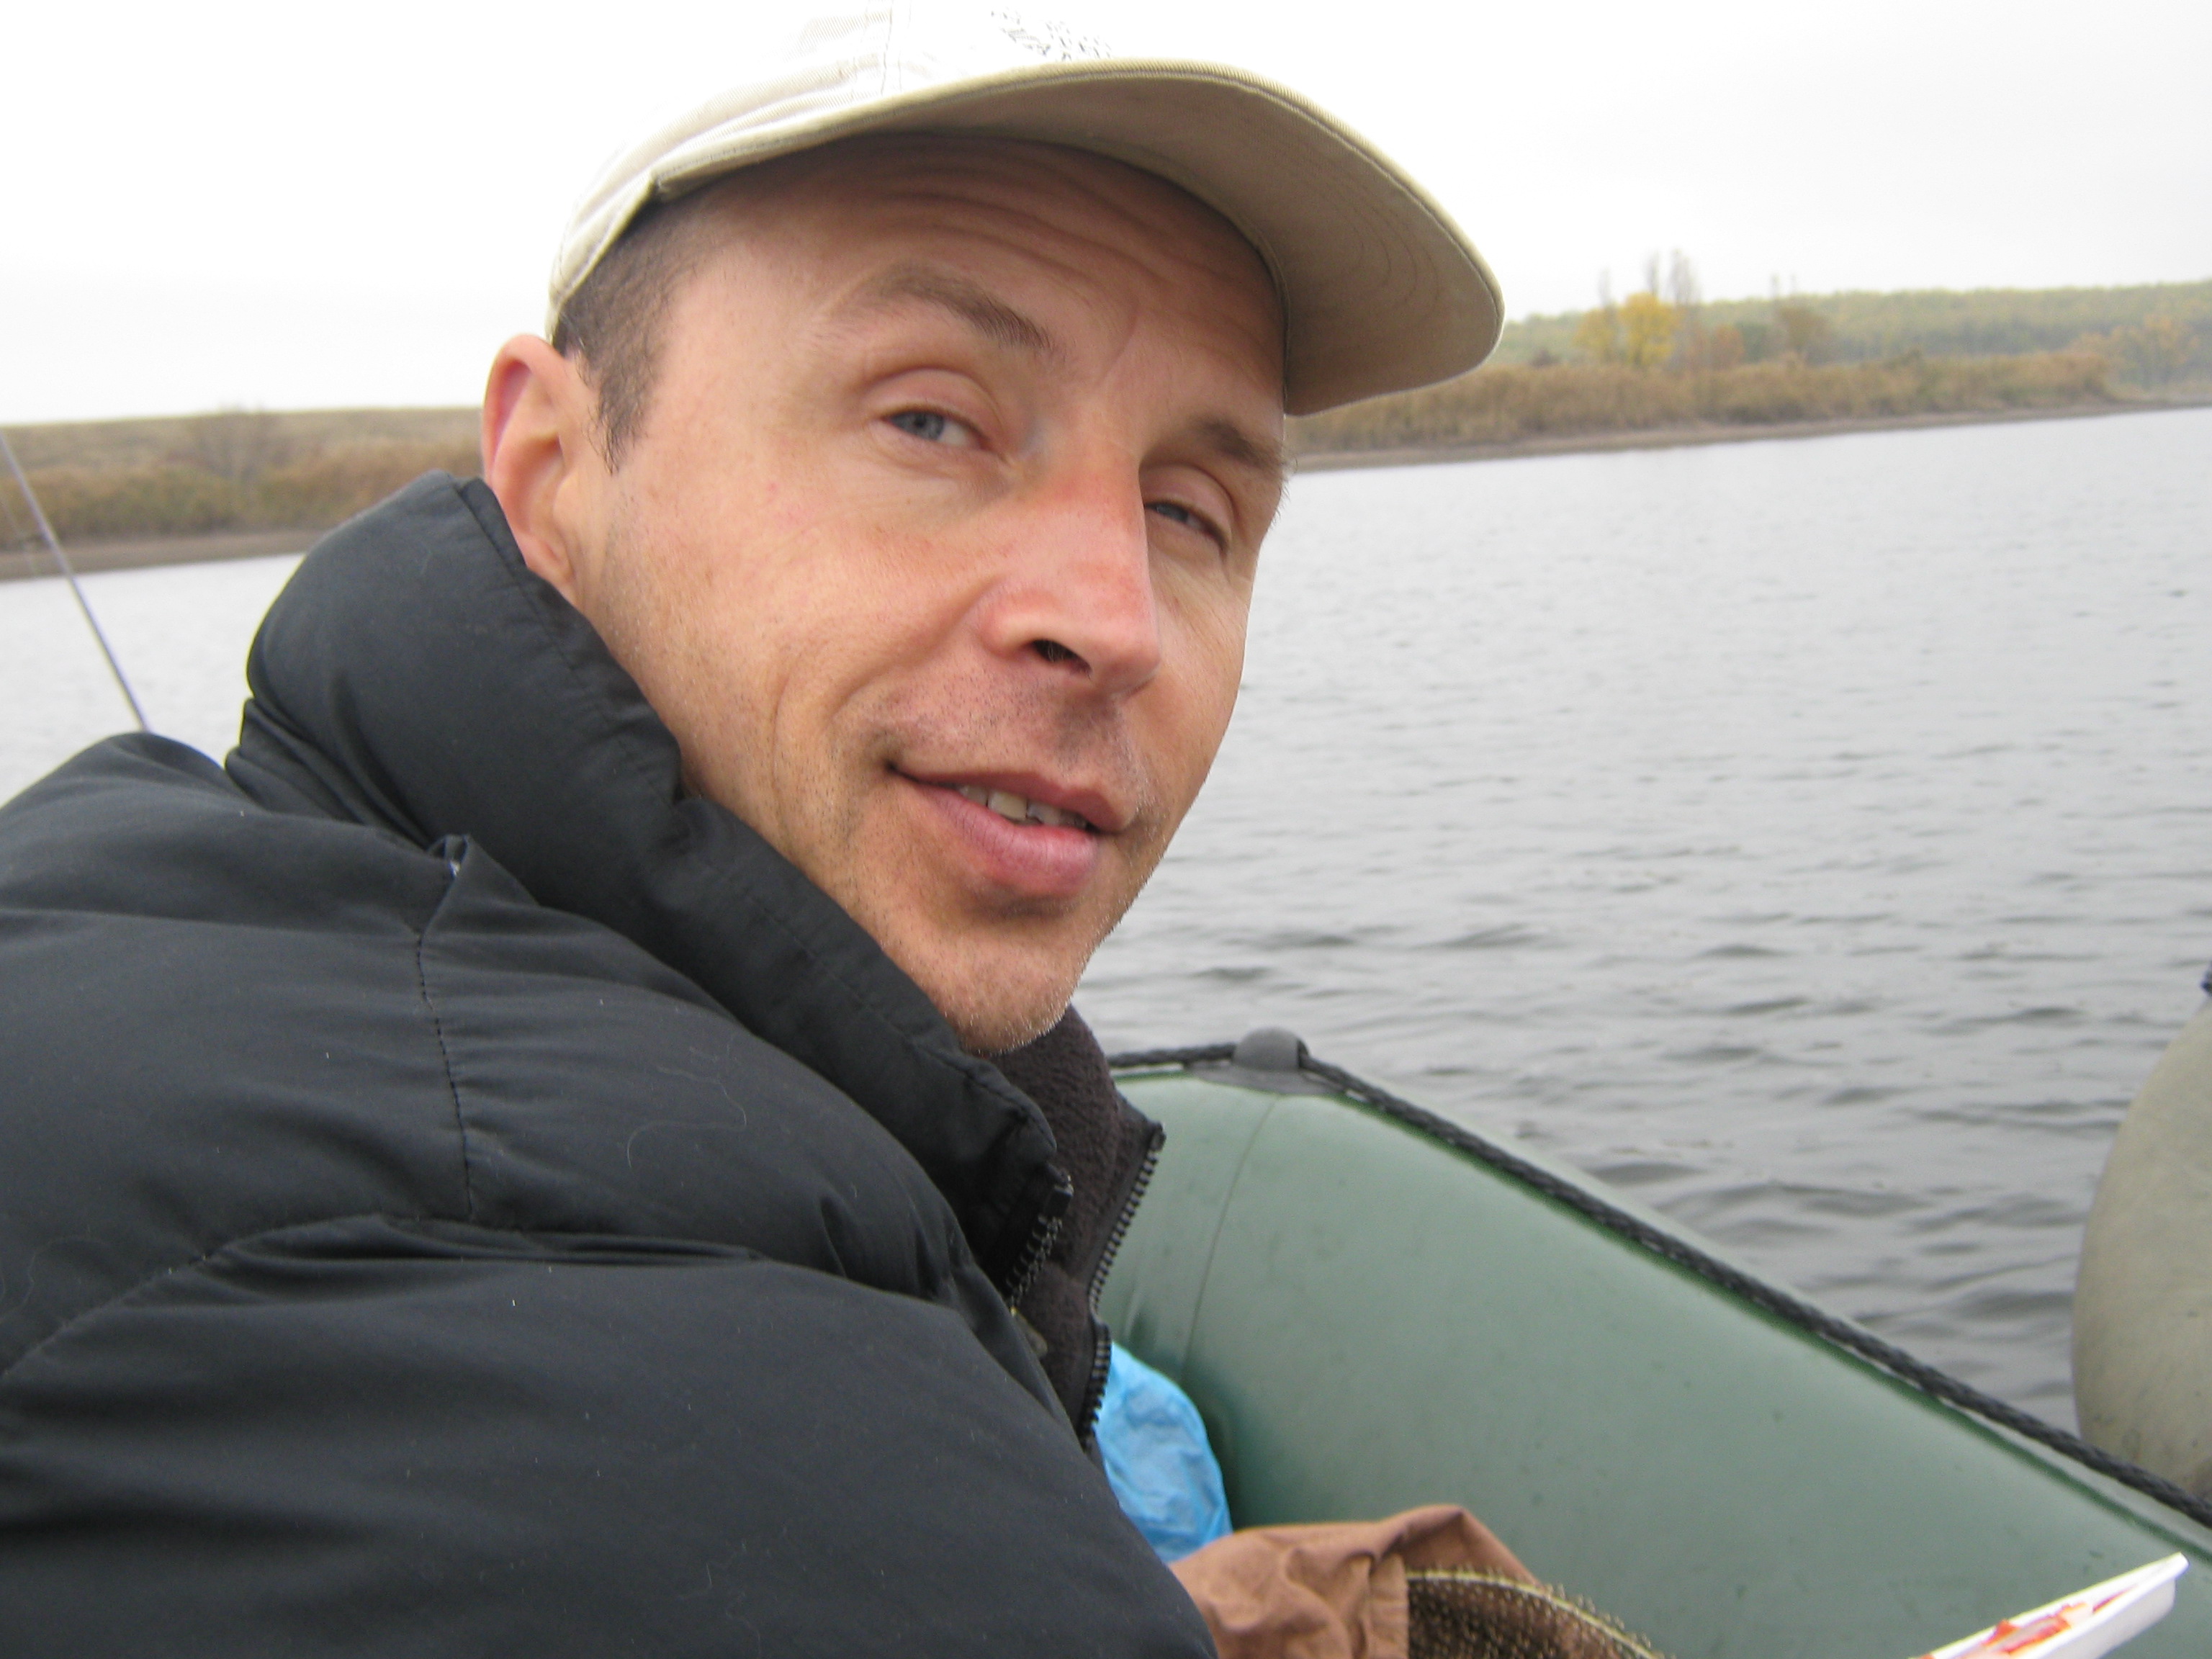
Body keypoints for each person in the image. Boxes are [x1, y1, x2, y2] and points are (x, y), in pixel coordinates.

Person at [0, 5, 1502, 1652]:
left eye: (1189, 512)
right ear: (552, 471)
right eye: (931, 421)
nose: (1115, 619)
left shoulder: (146, 879)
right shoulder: (771, 1471)